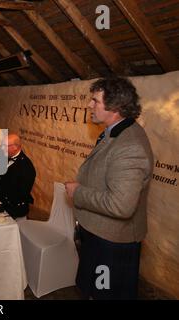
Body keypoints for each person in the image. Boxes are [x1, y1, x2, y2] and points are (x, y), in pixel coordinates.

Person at [65, 77, 154, 300]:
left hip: (111, 245)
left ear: (115, 106)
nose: (89, 105)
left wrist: (78, 192)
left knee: (104, 294)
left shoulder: (130, 146)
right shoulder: (115, 131)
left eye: (95, 101)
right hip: (99, 237)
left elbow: (121, 205)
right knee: (93, 290)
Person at [0, 133, 36, 219]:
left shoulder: (26, 167)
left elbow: (20, 193)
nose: (2, 148)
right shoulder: (6, 157)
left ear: (15, 147)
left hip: (14, 209)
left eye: (5, 146)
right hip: (1, 202)